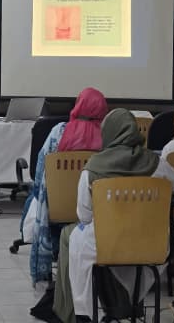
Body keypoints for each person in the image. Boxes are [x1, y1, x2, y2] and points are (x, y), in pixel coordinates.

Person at [53, 109, 174, 323]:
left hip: (106, 244)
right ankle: (129, 303)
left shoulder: (93, 168)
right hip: (150, 244)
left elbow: (84, 215)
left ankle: (86, 312)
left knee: (77, 238)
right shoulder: (158, 164)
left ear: (107, 133)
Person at [20, 87, 108, 285]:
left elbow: (40, 172)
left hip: (57, 208)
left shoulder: (58, 132)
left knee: (32, 199)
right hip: (94, 211)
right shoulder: (108, 137)